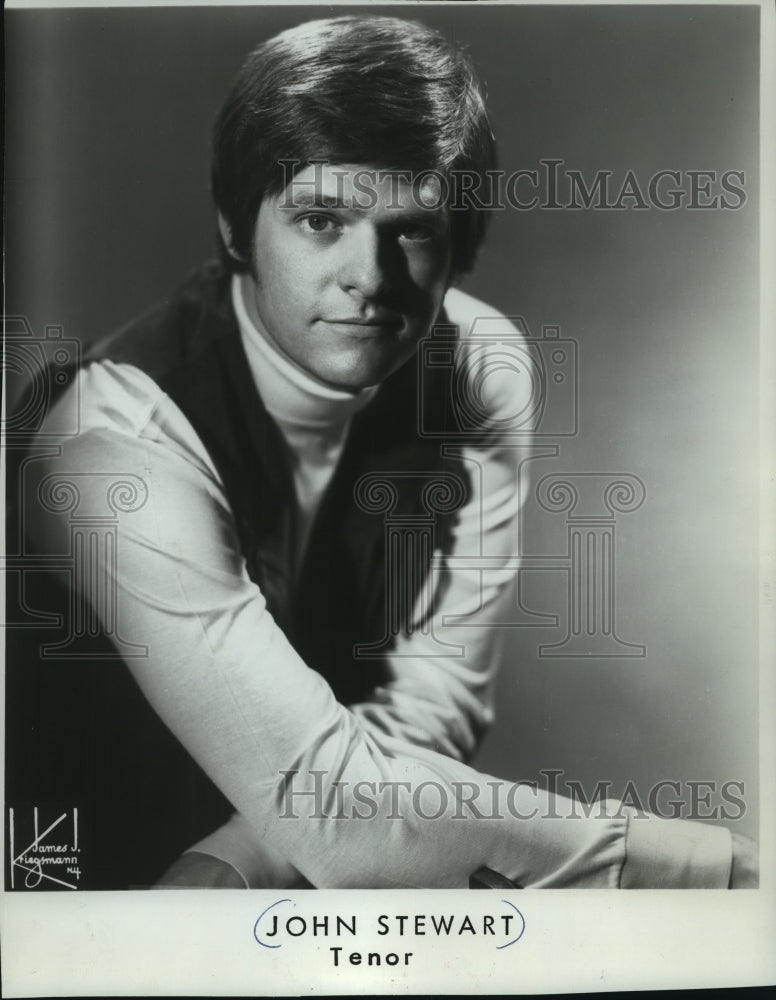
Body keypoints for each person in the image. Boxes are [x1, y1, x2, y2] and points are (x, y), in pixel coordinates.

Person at [16, 14, 756, 889]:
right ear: (235, 228)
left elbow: (428, 709)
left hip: (291, 886)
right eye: (320, 219)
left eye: (411, 229)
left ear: (460, 244)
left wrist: (240, 861)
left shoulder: (478, 369)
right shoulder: (111, 443)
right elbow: (339, 811)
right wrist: (706, 872)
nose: (369, 276)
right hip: (80, 904)